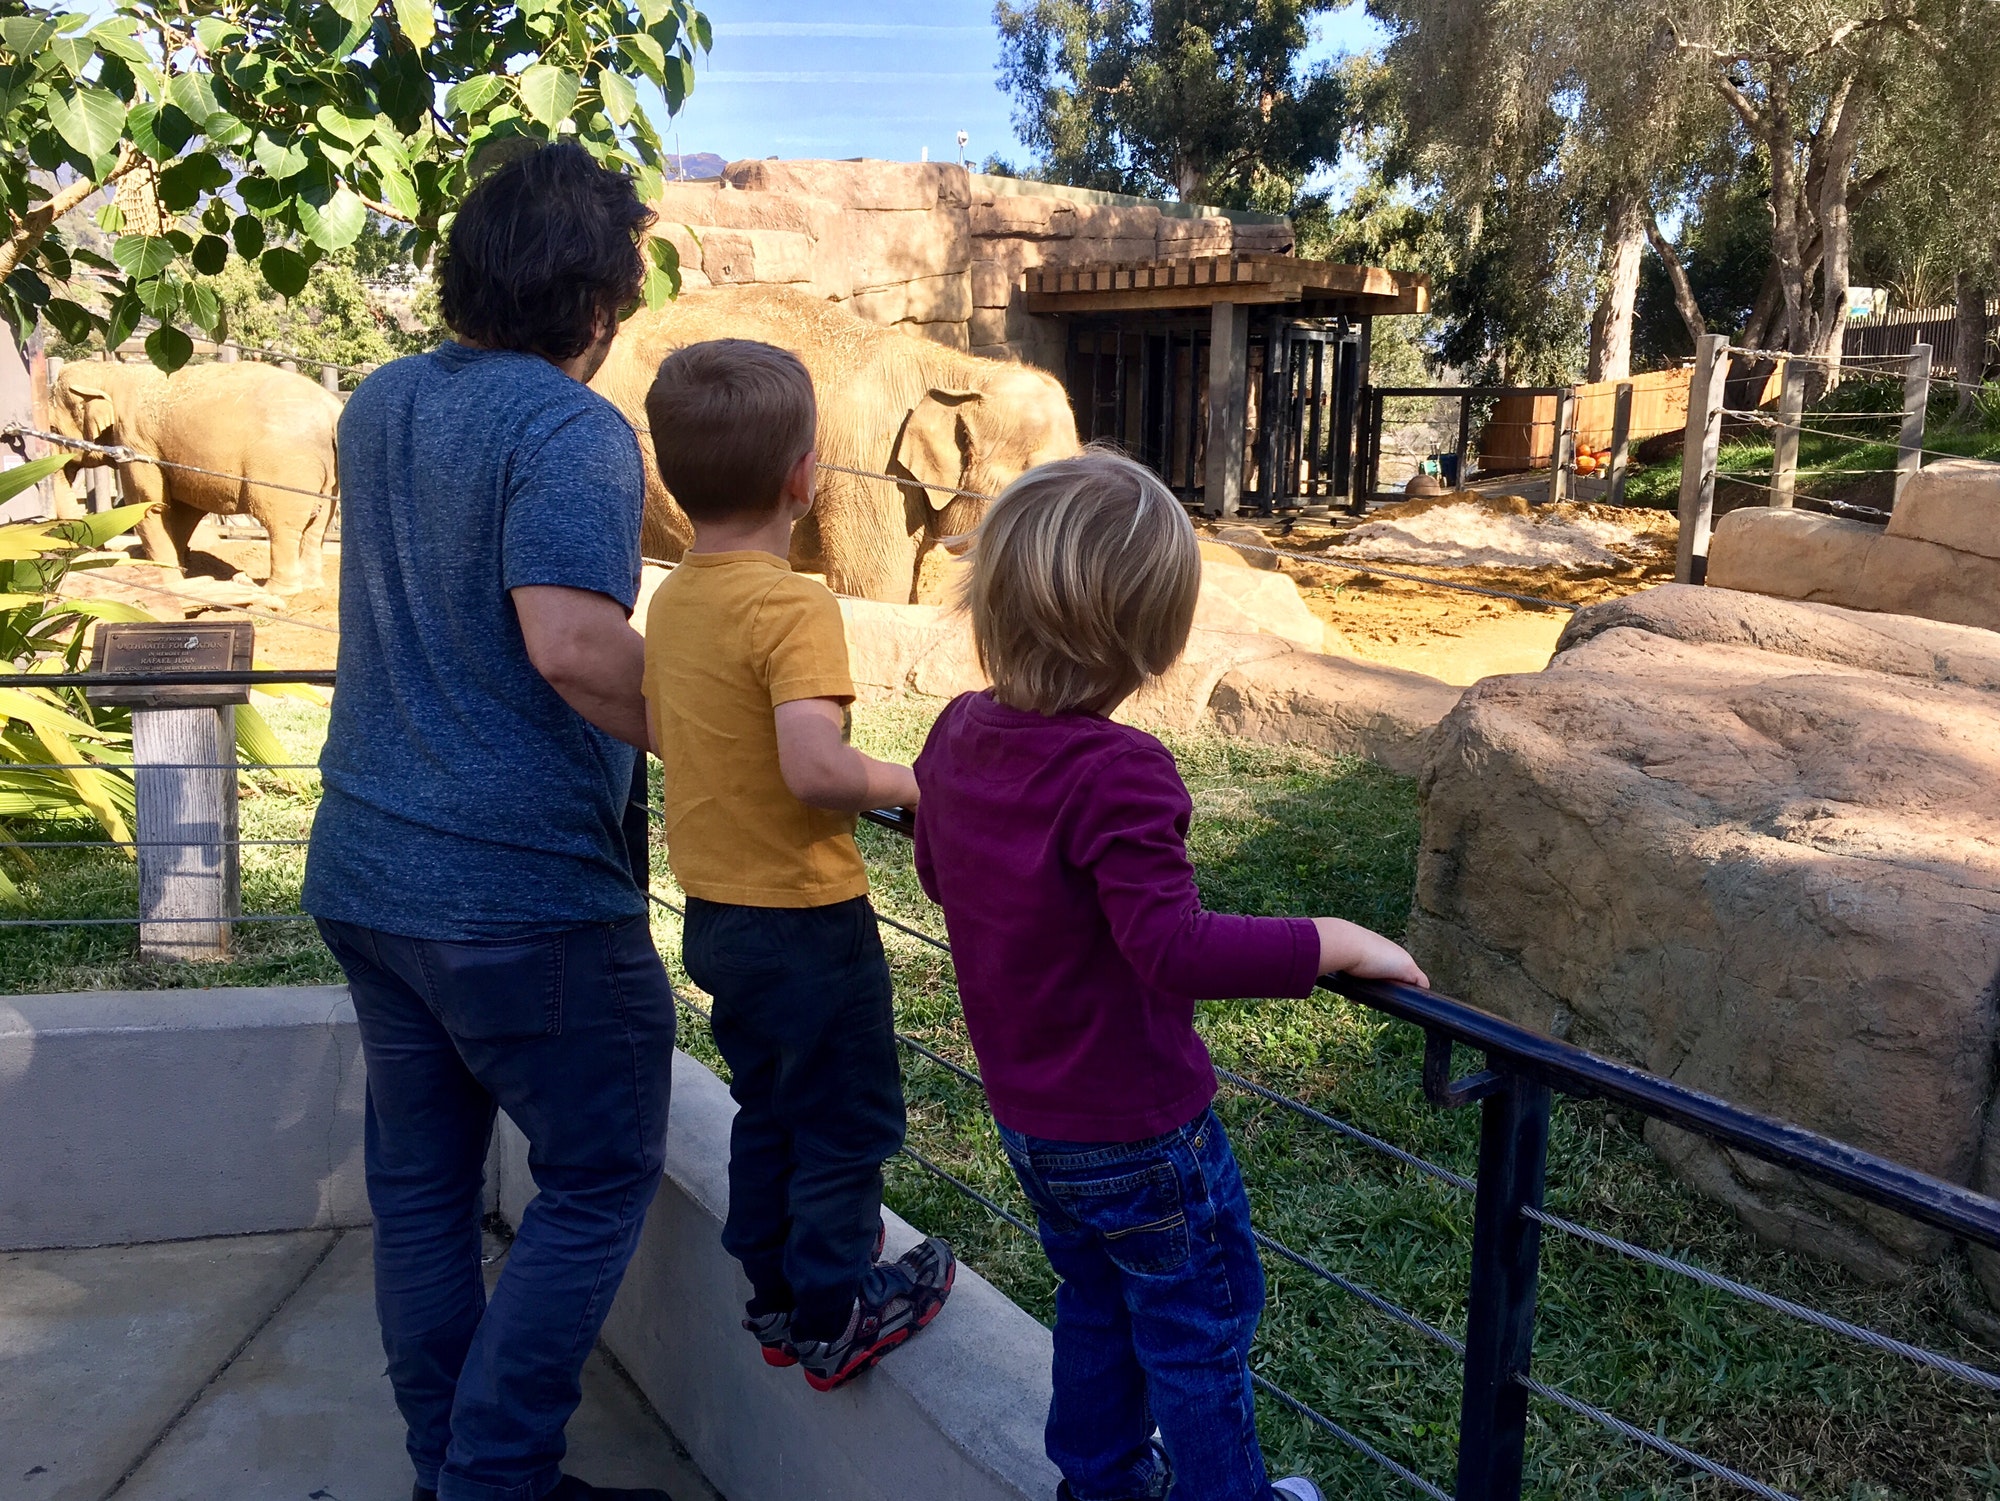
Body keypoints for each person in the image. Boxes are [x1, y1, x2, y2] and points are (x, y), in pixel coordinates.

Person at [910, 451, 1431, 1501]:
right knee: (1197, 1330)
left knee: (1096, 1302)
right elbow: (1171, 946)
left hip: (1031, 1124)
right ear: (1152, 635)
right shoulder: (1118, 770)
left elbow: (934, 866)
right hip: (1139, 1134)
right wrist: (1331, 938)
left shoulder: (955, 733)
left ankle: (1099, 1485)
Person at [304, 144, 678, 1501]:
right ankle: (497, 1476)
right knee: (596, 1173)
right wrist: (726, 738)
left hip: (364, 869)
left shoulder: (381, 398)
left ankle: (448, 1470)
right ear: (595, 300)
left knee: (421, 1194)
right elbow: (575, 644)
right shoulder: (573, 429)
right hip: (517, 896)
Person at [640, 338, 955, 1392]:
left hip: (719, 916)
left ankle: (771, 1289)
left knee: (769, 1104)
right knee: (846, 1119)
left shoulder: (675, 599)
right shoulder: (790, 603)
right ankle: (832, 1313)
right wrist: (914, 783)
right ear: (803, 476)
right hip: (806, 918)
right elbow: (815, 770)